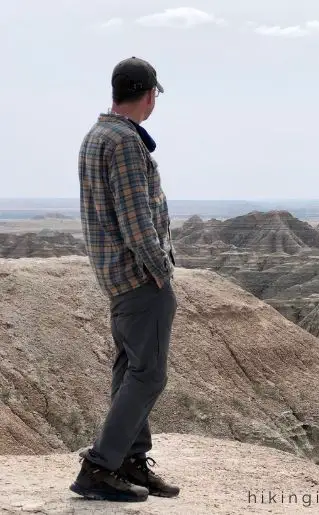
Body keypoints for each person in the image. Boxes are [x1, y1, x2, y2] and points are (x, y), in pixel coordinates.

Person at [71, 56, 179, 502]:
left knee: (130, 369)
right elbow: (137, 224)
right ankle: (98, 467)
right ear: (149, 95)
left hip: (113, 276)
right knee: (149, 375)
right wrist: (162, 272)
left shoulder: (96, 135)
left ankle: (129, 460)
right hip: (138, 278)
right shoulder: (126, 143)